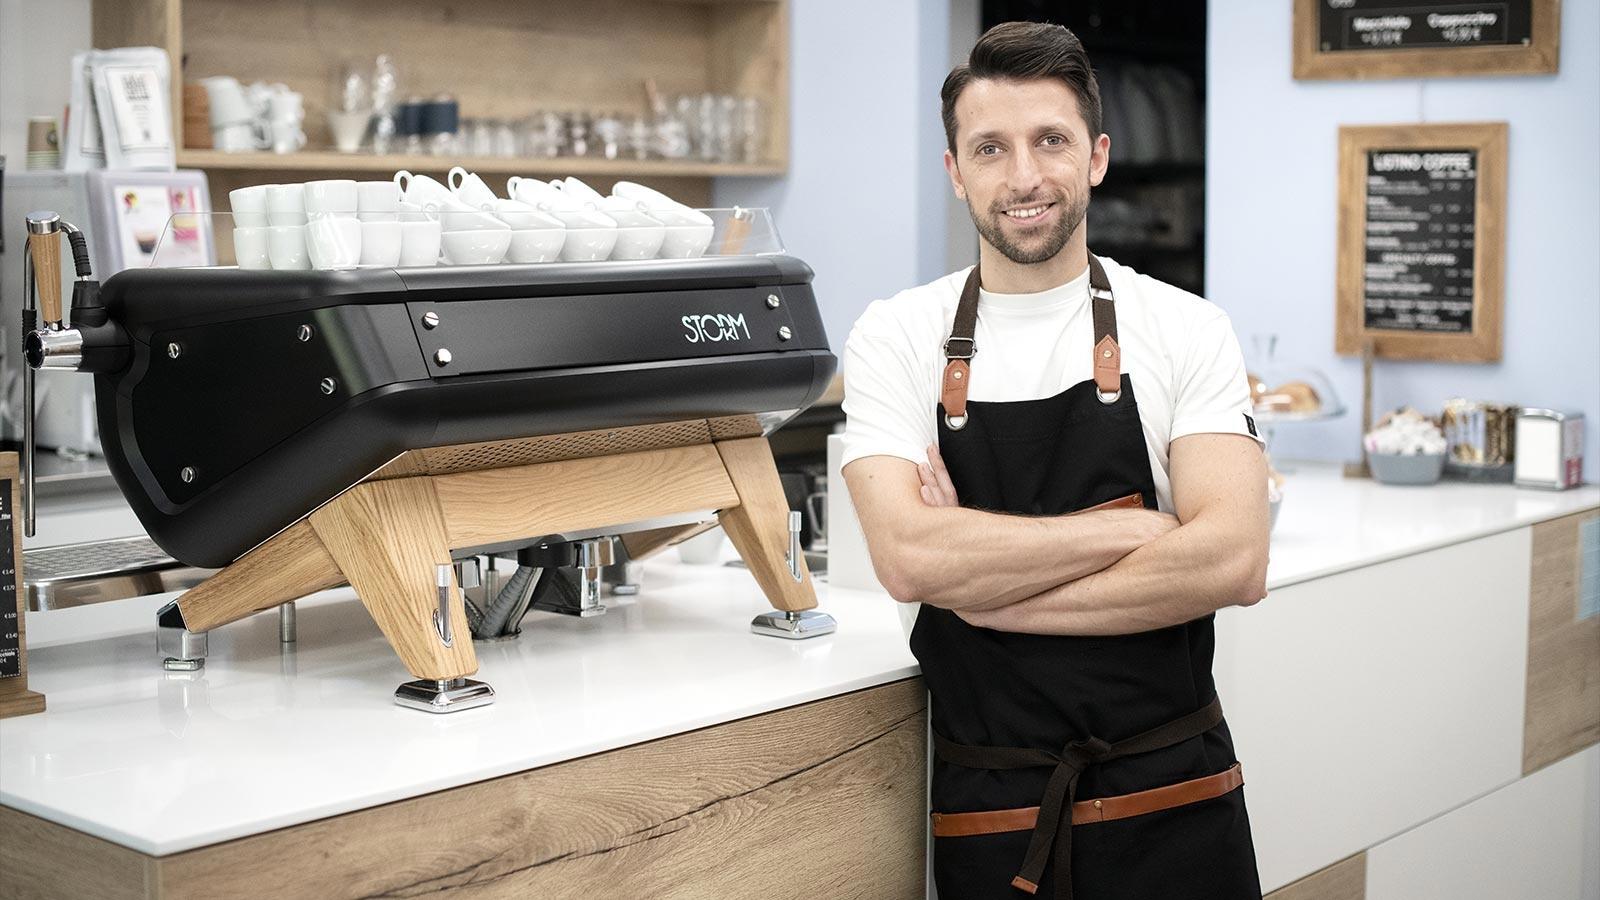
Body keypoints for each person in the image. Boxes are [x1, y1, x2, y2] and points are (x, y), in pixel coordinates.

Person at [839, 21, 1270, 900]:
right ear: (955, 170)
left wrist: (986, 599)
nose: (1025, 176)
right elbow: (910, 558)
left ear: (1098, 156)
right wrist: (1141, 532)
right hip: (994, 815)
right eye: (990, 148)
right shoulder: (896, 335)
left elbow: (1234, 557)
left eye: (1051, 141)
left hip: (1178, 804)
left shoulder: (1186, 326)